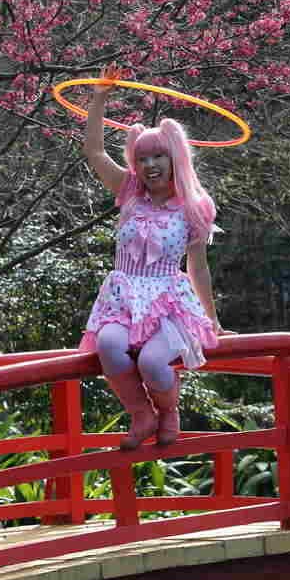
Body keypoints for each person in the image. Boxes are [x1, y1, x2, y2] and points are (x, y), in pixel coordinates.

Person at [77, 66, 229, 451]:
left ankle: (168, 410)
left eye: (159, 156)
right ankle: (141, 413)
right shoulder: (129, 192)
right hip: (122, 295)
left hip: (169, 302)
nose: (151, 165)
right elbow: (94, 151)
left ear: (175, 157)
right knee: (109, 348)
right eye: (143, 158)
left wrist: (212, 319)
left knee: (152, 362)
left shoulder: (194, 206)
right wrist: (99, 98)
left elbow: (198, 266)